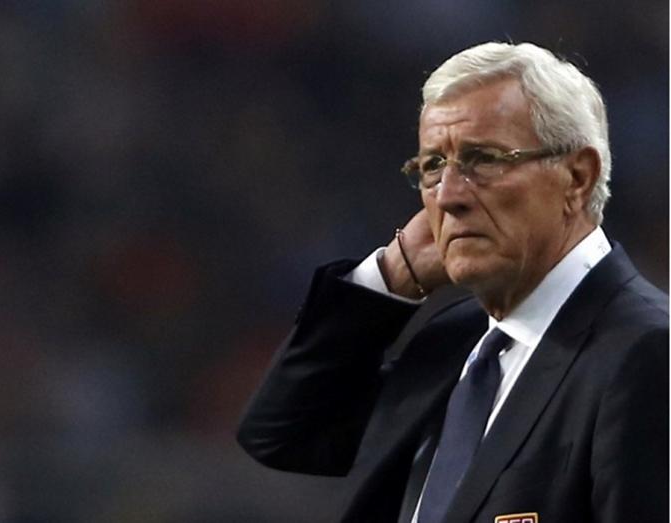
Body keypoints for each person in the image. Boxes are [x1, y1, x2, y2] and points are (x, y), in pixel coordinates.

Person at [236, 42, 668, 523]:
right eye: (432, 166)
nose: (447, 197)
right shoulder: (452, 343)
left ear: (577, 177)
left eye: (484, 158)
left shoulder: (648, 353)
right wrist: (395, 272)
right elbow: (282, 434)